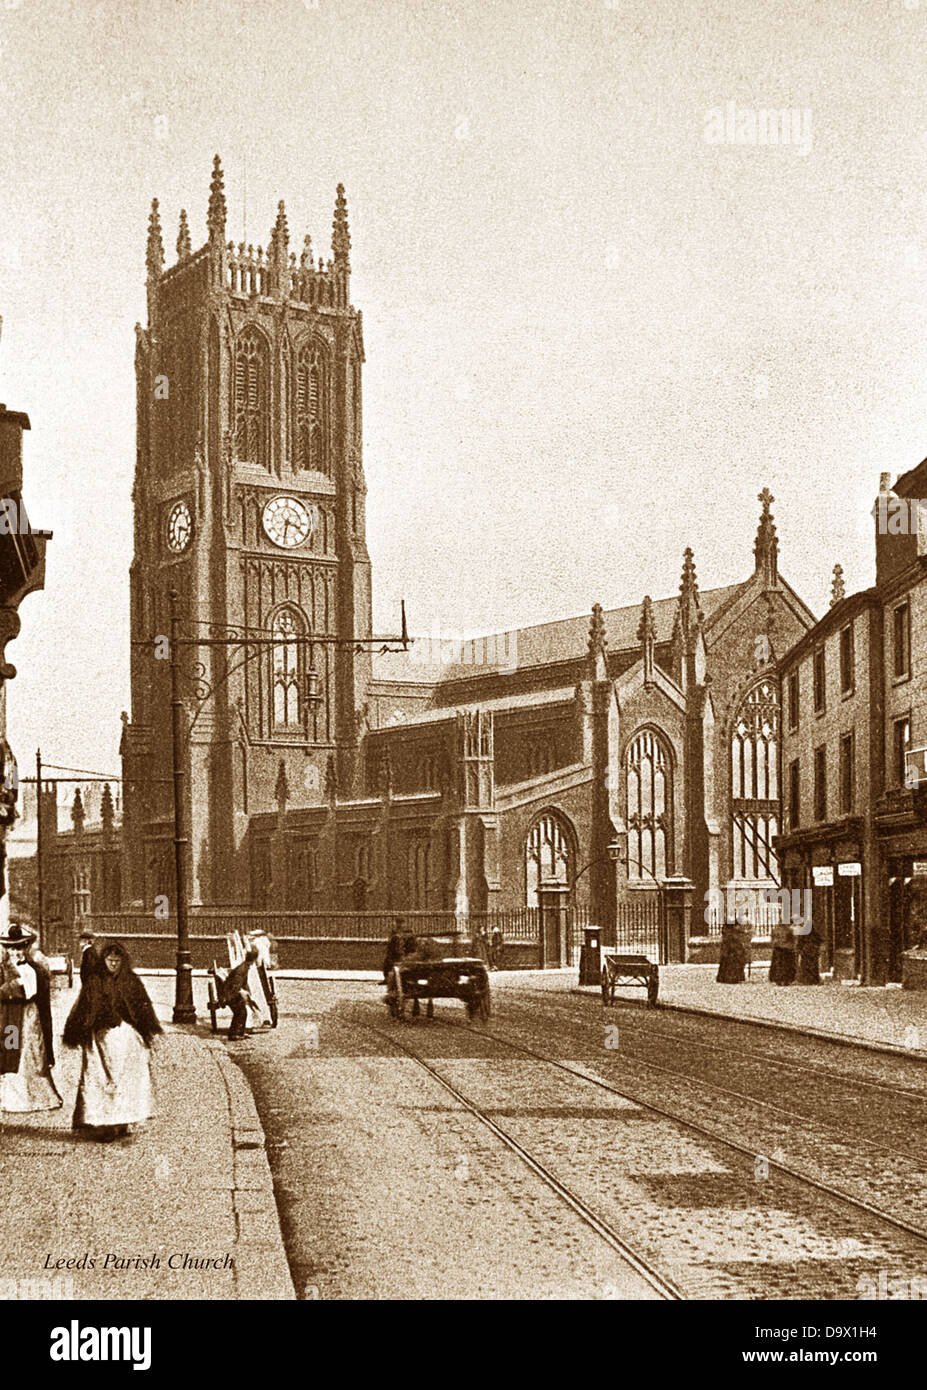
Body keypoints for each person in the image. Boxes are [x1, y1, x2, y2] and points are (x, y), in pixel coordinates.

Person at [62, 940, 162, 1142]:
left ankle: (123, 1120)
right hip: (100, 1040)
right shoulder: (95, 981)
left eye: (117, 960)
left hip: (128, 1039)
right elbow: (85, 1009)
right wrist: (93, 1023)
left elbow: (142, 1008)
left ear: (122, 961)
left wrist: (148, 1032)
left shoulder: (131, 981)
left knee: (127, 1080)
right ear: (104, 961)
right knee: (100, 1079)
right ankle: (106, 1123)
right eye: (110, 960)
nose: (113, 964)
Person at [0, 922, 62, 1114]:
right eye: (10, 947)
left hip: (28, 1017)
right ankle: (9, 1097)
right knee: (9, 1051)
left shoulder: (33, 970)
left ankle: (33, 1099)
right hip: (10, 1017)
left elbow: (24, 991)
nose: (15, 951)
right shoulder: (3, 969)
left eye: (19, 947)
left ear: (26, 948)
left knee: (29, 1053)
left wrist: (8, 987)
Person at [225, 947, 259, 1040]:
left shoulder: (245, 967)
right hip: (231, 995)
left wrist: (247, 993)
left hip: (233, 993)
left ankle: (240, 1033)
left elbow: (243, 983)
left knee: (242, 1012)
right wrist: (243, 993)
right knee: (240, 1012)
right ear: (253, 960)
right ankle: (233, 1034)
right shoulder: (241, 970)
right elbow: (236, 986)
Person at [768, 919, 796, 986]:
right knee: (787, 965)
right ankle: (787, 979)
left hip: (777, 949)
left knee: (778, 965)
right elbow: (793, 940)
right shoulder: (789, 930)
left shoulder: (775, 930)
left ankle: (778, 979)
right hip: (787, 950)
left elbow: (772, 939)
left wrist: (774, 944)